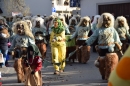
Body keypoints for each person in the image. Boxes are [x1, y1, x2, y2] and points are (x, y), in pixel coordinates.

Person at [83, 13, 122, 80]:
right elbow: (93, 37)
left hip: (110, 49)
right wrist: (86, 42)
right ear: (101, 21)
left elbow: (117, 39)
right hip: (101, 49)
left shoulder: (112, 29)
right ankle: (103, 74)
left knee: (110, 64)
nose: (106, 22)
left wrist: (119, 45)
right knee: (101, 64)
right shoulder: (98, 30)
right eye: (105, 20)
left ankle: (110, 76)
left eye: (108, 20)